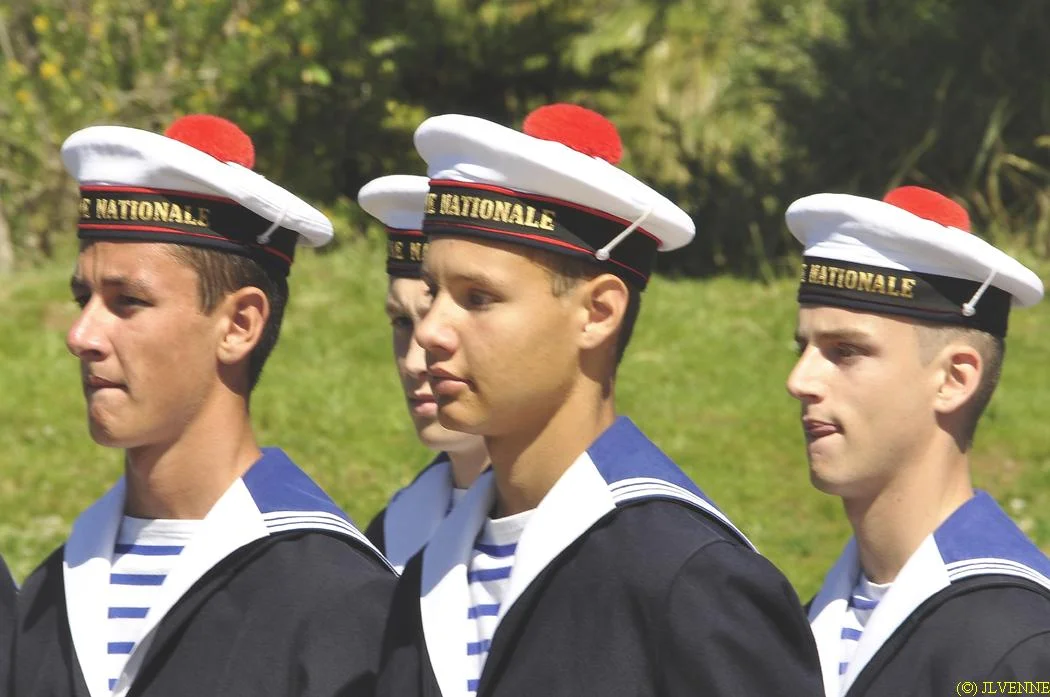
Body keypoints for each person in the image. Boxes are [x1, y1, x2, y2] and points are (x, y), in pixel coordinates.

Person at [376, 104, 822, 697]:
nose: (430, 331)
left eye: (478, 297)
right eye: (433, 292)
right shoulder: (426, 572)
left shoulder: (691, 579)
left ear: (598, 312)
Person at [11, 115, 395, 697]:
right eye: (83, 297)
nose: (82, 334)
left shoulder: (337, 600)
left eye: (128, 301)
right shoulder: (51, 592)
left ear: (239, 325)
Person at [786, 185, 1050, 697]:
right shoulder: (808, 620)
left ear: (954, 379)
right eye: (804, 348)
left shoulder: (1019, 644)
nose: (800, 380)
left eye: (845, 351)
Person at [358, 175, 489, 572]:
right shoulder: (388, 536)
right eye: (402, 322)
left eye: (472, 305)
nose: (416, 362)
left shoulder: (620, 542)